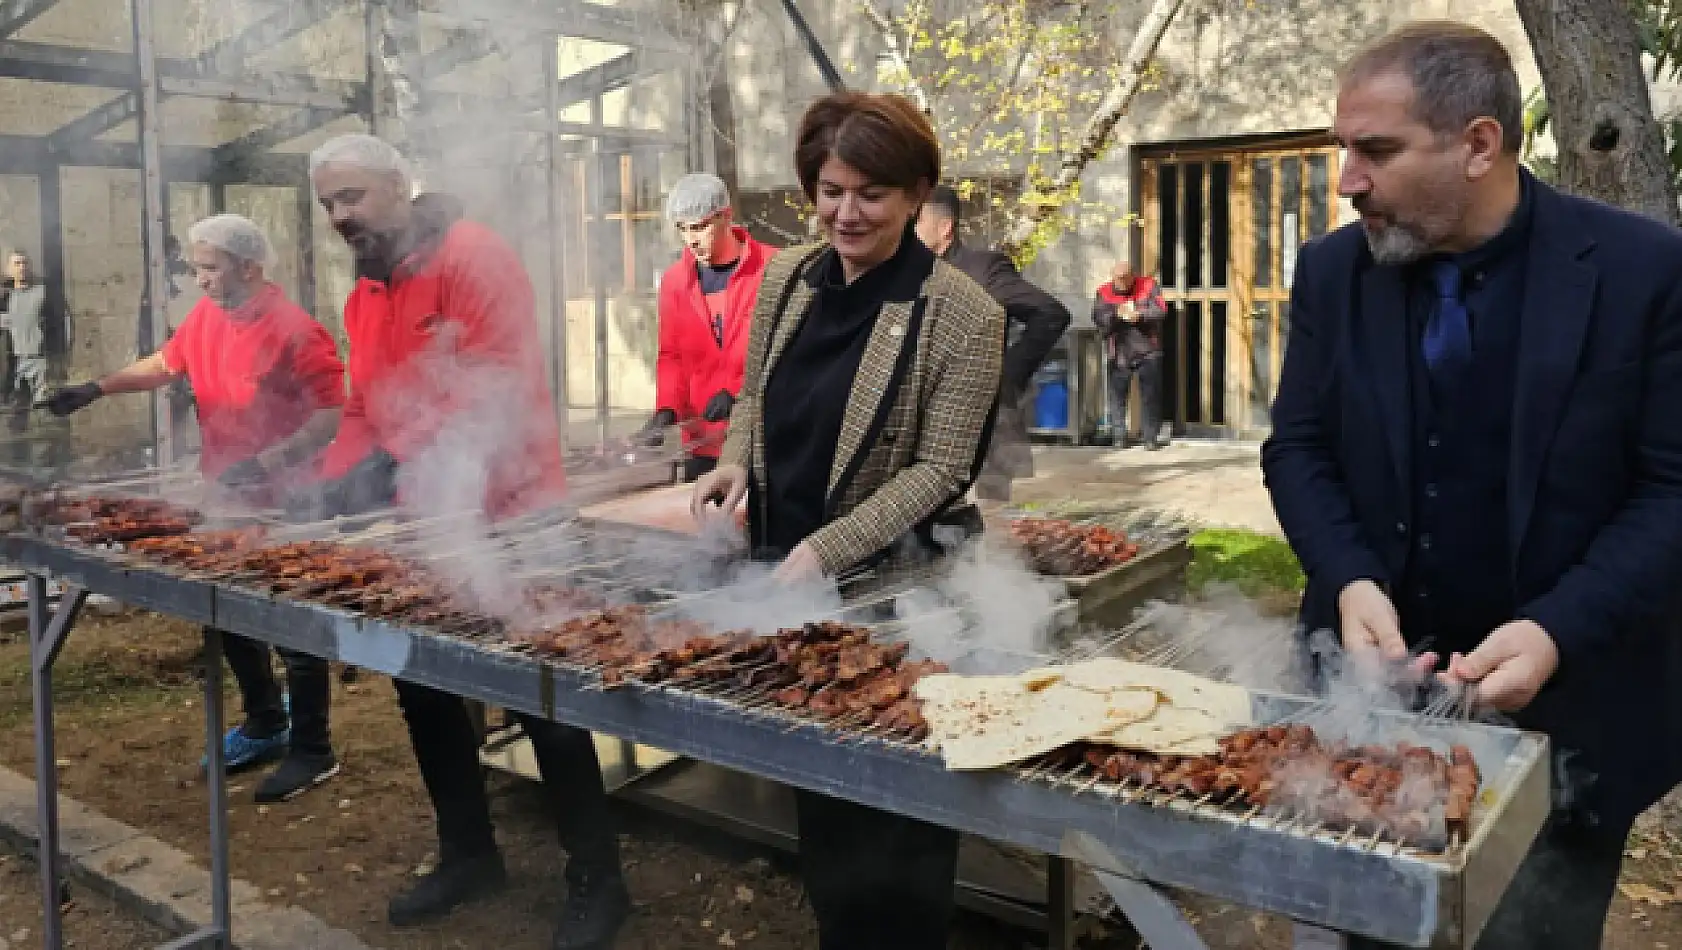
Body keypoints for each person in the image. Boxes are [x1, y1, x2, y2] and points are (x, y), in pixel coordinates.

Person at [1261, 21, 1682, 949]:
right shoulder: (1333, 273)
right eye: (1344, 151)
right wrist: (1351, 580)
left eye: (1376, 151)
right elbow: (1297, 448)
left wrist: (1556, 629)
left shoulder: (1641, 270)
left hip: (1571, 722)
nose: (1346, 181)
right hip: (1361, 711)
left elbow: (1670, 490)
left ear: (1479, 144)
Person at [691, 92, 1004, 950]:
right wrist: (732, 461)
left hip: (910, 591)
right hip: (790, 581)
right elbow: (755, 392)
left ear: (917, 194)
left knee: (902, 817)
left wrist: (828, 547)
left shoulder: (965, 316)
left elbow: (943, 469)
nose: (846, 211)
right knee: (824, 796)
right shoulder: (790, 276)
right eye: (830, 189)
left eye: (871, 192)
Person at [305, 133, 630, 949]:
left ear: (397, 185)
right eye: (328, 205)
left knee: (543, 696)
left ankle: (598, 878)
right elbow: (362, 406)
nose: (340, 216)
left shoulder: (471, 256)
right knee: (421, 685)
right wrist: (335, 478)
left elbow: (496, 391)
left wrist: (391, 462)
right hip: (429, 521)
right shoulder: (361, 297)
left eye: (352, 197)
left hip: (517, 516)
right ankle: (468, 854)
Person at [44, 214, 347, 803]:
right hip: (224, 493)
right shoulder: (207, 317)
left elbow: (330, 418)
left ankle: (314, 749)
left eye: (210, 267)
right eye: (197, 267)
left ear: (250, 268)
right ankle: (265, 721)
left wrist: (267, 461)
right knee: (224, 608)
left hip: (288, 499)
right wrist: (96, 388)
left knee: (294, 621)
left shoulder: (297, 331)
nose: (199, 279)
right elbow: (165, 363)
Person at [915, 184, 1070, 501]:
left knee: (989, 519)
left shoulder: (982, 269)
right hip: (922, 421)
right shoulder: (908, 273)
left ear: (945, 227)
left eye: (915, 221)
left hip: (982, 421)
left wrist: (1008, 372)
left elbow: (1050, 314)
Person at [635, 173, 774, 482]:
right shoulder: (674, 282)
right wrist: (666, 409)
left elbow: (784, 350)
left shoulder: (771, 270)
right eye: (682, 229)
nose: (691, 240)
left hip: (762, 439)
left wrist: (739, 393)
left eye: (699, 227)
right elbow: (671, 354)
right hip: (702, 444)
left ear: (726, 216)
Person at [1092, 259, 1166, 450]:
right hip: (1119, 351)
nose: (1122, 283)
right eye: (1118, 279)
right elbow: (1099, 318)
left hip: (1148, 349)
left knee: (1150, 396)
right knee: (1117, 397)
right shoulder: (1104, 292)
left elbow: (1160, 310)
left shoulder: (1148, 285)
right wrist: (1118, 314)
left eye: (1125, 279)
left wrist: (1140, 315)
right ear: (1112, 277)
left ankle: (1150, 438)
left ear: (1133, 276)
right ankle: (1119, 437)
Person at [2, 252, 61, 429]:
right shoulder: (5, 298)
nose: (22, 268)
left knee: (44, 414)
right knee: (15, 417)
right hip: (14, 362)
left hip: (39, 359)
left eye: (25, 263)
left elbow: (57, 323)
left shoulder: (42, 293)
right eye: (17, 264)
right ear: (9, 269)